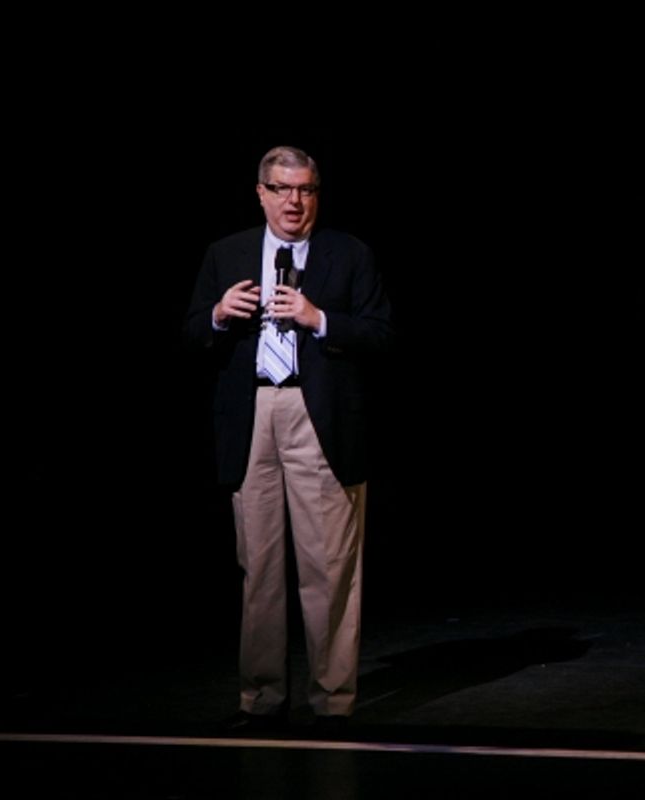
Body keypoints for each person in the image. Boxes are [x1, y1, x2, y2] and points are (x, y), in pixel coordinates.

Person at [184, 145, 393, 734]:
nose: (293, 201)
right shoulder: (226, 254)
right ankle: (262, 699)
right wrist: (220, 314)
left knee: (328, 567)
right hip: (252, 416)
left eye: (304, 190)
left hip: (318, 413)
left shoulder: (348, 255)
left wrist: (318, 318)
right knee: (260, 566)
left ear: (315, 194)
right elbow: (192, 330)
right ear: (260, 193)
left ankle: (332, 702)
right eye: (281, 189)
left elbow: (381, 334)